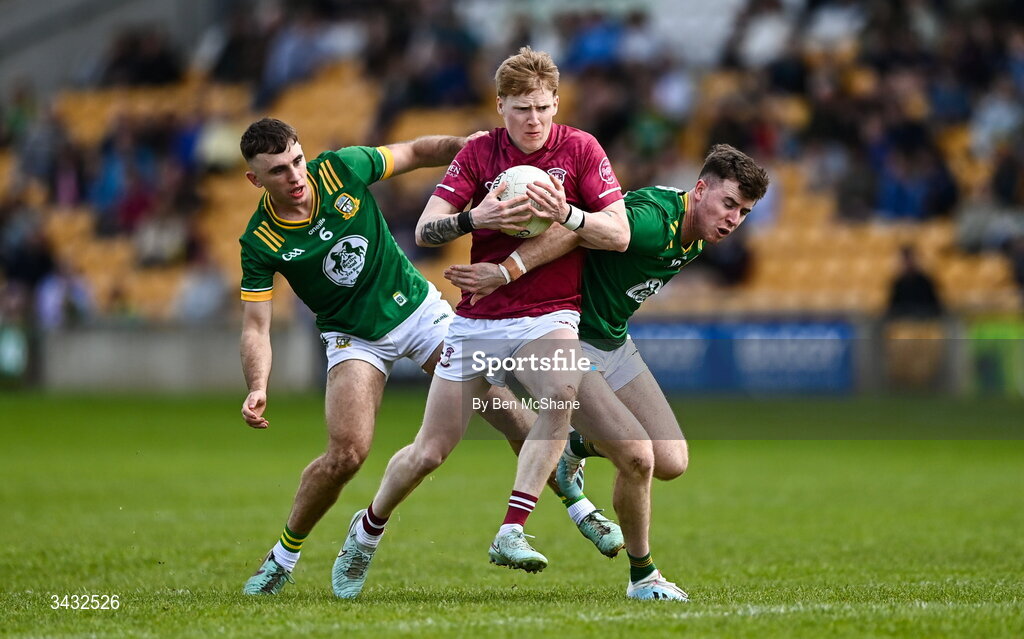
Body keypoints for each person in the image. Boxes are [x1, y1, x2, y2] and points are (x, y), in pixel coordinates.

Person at [332, 47, 650, 598]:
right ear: (500, 105)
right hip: (478, 321)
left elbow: (618, 233)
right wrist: (473, 218)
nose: (534, 120)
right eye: (522, 108)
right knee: (429, 451)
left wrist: (567, 213)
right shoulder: (480, 152)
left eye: (545, 107)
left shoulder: (579, 149)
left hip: (548, 312)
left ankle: (511, 529)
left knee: (560, 392)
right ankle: (367, 528)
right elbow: (427, 229)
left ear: (556, 103)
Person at [445, 143, 770, 600]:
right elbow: (576, 232)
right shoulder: (654, 221)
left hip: (614, 342)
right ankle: (644, 577)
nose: (734, 219)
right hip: (569, 337)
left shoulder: (698, 234)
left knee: (672, 462)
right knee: (637, 456)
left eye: (745, 212)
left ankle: (572, 447)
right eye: (729, 204)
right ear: (700, 190)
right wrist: (507, 271)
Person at [237, 118, 538, 596]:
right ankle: (283, 557)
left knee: (493, 398)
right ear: (255, 180)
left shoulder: (340, 169)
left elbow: (417, 151)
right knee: (347, 455)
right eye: (277, 171)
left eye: (297, 161)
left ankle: (579, 504)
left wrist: (466, 146)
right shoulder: (261, 242)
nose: (295, 176)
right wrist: (258, 385)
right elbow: (257, 326)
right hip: (353, 336)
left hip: (416, 310)